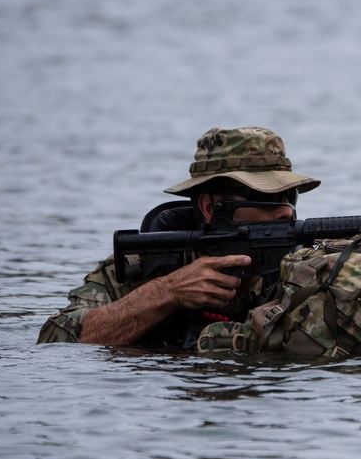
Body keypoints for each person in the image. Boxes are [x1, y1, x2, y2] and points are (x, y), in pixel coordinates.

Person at [37, 126, 320, 348]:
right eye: (263, 197)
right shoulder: (140, 265)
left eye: (289, 196)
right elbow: (56, 338)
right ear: (209, 208)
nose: (285, 211)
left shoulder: (300, 264)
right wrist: (169, 291)